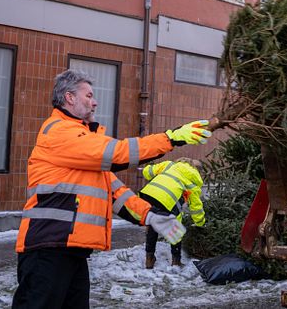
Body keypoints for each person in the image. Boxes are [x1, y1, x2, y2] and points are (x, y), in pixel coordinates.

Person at [12, 69, 212, 309]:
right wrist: (171, 138)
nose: (94, 101)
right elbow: (119, 153)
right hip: (48, 250)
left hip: (70, 251)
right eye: (88, 95)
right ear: (69, 98)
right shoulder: (60, 132)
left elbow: (116, 193)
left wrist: (150, 215)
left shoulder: (82, 149)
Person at [139, 158, 206, 268]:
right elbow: (196, 207)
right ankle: (176, 261)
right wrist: (200, 222)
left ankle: (149, 259)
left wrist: (147, 169)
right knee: (175, 230)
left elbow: (147, 172)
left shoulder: (169, 165)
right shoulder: (194, 180)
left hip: (147, 195)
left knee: (152, 225)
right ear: (198, 171)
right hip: (167, 201)